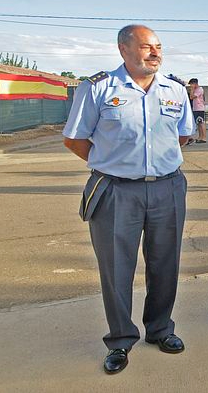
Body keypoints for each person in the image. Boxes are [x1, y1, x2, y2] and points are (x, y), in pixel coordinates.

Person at [62, 24, 193, 374]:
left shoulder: (175, 90)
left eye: (159, 46)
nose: (155, 52)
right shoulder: (98, 88)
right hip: (116, 191)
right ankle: (120, 340)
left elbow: (182, 135)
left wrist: (154, 165)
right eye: (146, 46)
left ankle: (161, 329)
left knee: (165, 264)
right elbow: (75, 139)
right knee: (117, 269)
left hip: (167, 187)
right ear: (123, 49)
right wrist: (115, 162)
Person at [188, 78, 206, 143]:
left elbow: (192, 97)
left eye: (191, 84)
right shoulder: (196, 90)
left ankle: (204, 138)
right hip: (196, 108)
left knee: (201, 123)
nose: (191, 86)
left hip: (199, 108)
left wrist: (192, 90)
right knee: (198, 123)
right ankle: (200, 137)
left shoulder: (199, 90)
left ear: (195, 83)